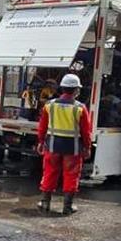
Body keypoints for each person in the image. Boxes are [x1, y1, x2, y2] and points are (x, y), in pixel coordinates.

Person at [36, 74, 94, 214]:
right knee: (71, 175)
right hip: (72, 148)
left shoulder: (49, 105)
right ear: (76, 90)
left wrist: (41, 142)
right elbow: (86, 132)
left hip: (52, 146)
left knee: (50, 172)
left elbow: (42, 126)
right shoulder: (80, 108)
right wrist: (87, 147)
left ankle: (45, 203)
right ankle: (67, 207)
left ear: (62, 88)